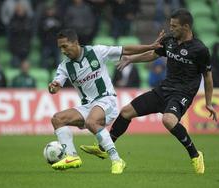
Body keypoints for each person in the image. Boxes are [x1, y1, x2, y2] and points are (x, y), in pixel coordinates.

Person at [80, 8, 218, 174]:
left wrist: (209, 102)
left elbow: (208, 77)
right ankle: (104, 147)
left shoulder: (200, 49)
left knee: (168, 120)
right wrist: (131, 59)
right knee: (126, 112)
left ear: (186, 27)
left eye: (174, 26)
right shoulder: (170, 40)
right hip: (163, 89)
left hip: (182, 93)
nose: (171, 28)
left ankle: (195, 155)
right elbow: (153, 54)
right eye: (170, 25)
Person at [48, 29, 163, 174]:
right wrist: (53, 87)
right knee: (57, 119)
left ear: (75, 43)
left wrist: (151, 46)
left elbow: (125, 49)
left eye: (65, 46)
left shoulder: (97, 51)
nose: (63, 51)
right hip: (88, 106)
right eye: (60, 48)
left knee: (91, 122)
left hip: (106, 99)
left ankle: (117, 160)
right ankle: (72, 156)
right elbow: (56, 84)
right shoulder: (65, 66)